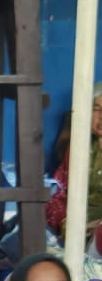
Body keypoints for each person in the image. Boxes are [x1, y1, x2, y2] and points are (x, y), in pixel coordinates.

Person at [46, 89, 102, 242]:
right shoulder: (78, 145)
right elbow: (59, 192)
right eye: (96, 109)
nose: (101, 116)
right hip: (77, 225)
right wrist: (64, 223)